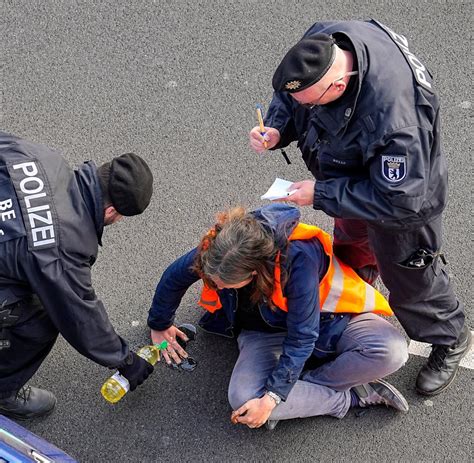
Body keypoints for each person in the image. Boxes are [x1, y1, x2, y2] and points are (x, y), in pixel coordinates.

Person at [249, 20, 471, 396]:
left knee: (409, 275)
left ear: (338, 85)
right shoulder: (326, 43)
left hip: (404, 200)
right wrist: (276, 127)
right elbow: (291, 95)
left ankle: (449, 336)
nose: (304, 108)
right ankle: (356, 295)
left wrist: (320, 194)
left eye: (310, 103)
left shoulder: (396, 121)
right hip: (348, 174)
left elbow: (398, 198)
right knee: (351, 248)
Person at [147, 203, 409, 430]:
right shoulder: (220, 246)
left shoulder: (299, 260)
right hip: (262, 334)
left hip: (329, 320)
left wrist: (272, 396)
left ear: (253, 273)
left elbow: (302, 337)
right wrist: (159, 325)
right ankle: (352, 397)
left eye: (225, 284)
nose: (218, 287)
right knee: (243, 400)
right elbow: (176, 275)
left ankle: (301, 391)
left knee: (392, 351)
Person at [0, 131, 155, 419]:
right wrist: (125, 360)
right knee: (42, 319)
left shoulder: (44, 157)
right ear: (111, 212)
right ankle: (3, 391)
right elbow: (79, 315)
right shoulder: (67, 243)